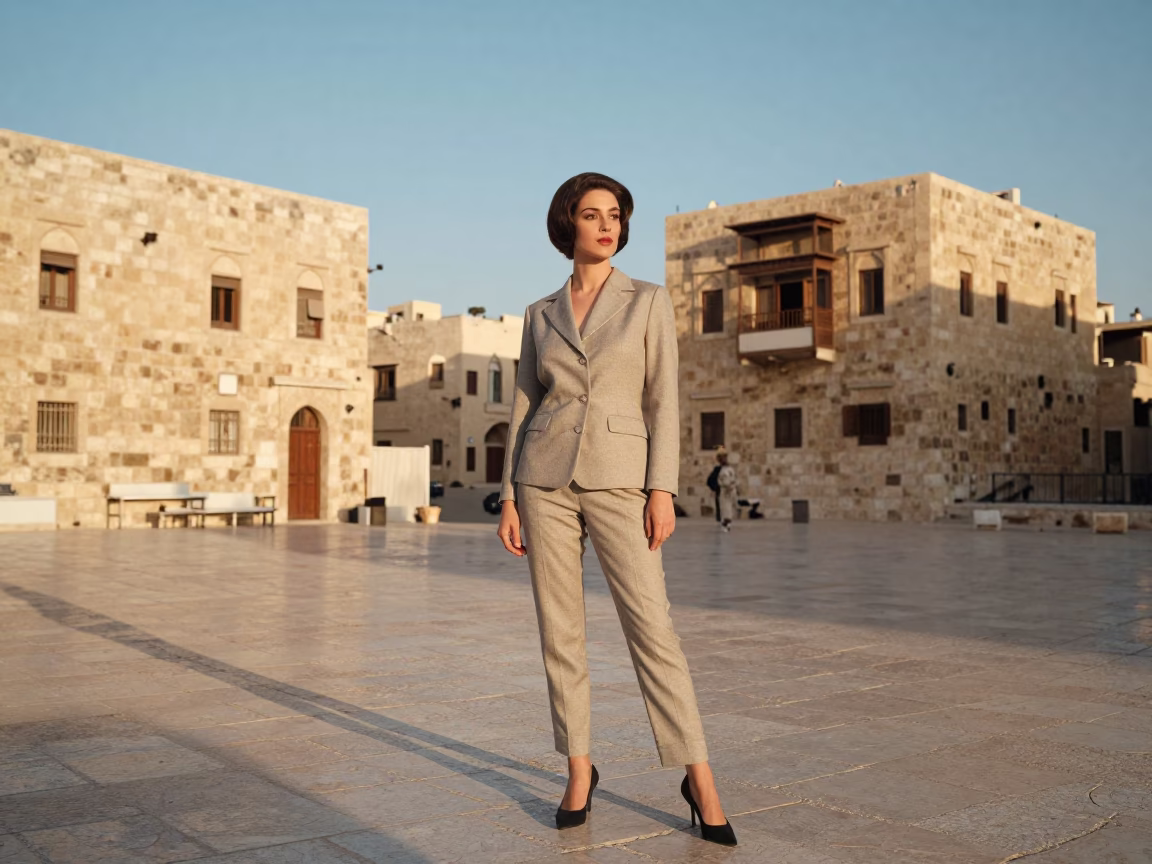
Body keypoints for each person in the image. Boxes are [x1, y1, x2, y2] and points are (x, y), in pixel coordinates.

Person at [496, 172, 736, 846]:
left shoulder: (647, 301)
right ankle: (578, 768)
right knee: (559, 631)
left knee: (652, 630)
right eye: (592, 215)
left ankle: (700, 777)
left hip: (621, 480)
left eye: (616, 216)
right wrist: (512, 494)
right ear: (567, 223)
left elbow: (665, 400)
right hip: (544, 480)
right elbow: (523, 405)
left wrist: (663, 487)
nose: (607, 226)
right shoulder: (539, 313)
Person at [716, 451, 737, 531]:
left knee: (726, 507)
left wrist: (724, 485)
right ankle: (727, 523)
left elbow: (726, 482)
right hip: (730, 490)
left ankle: (727, 523)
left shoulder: (725, 471)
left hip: (726, 491)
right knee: (727, 507)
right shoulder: (730, 469)